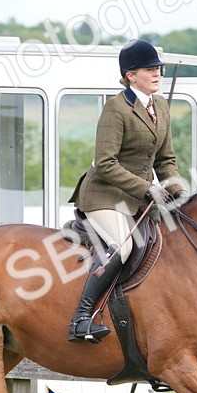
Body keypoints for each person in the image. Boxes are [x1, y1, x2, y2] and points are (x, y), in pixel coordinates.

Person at [66, 39, 188, 343]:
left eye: (158, 68)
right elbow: (105, 163)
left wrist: (175, 186)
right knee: (122, 247)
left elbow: (165, 159)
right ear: (130, 75)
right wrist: (148, 188)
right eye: (149, 70)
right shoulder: (116, 108)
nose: (157, 74)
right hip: (104, 195)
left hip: (139, 198)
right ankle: (81, 319)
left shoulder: (160, 105)